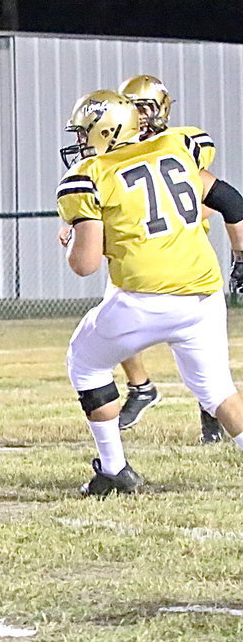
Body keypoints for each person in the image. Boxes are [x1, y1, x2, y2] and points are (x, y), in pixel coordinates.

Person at [56, 90, 243, 495]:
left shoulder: (90, 174)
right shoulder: (176, 145)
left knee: (84, 363)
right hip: (203, 296)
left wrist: (75, 236)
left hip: (144, 299)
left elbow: (84, 264)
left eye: (85, 132)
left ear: (105, 131)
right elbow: (229, 199)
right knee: (217, 391)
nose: (81, 142)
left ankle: (114, 469)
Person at [103, 75, 242, 442]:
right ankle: (141, 387)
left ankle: (210, 413)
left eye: (146, 107)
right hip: (137, 257)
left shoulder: (182, 143)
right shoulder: (112, 150)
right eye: (132, 107)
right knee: (109, 314)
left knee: (203, 354)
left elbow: (218, 197)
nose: (140, 115)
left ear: (162, 108)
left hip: (183, 256)